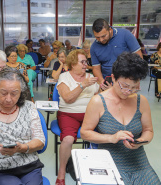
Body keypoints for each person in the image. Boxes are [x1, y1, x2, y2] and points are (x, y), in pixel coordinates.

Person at [80, 52, 161, 185]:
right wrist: (111, 138)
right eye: (125, 86)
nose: (129, 91)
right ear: (113, 78)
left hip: (139, 163)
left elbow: (148, 131)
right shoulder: (98, 102)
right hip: (110, 162)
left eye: (135, 87)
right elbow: (85, 133)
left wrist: (140, 141)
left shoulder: (142, 101)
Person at [55, 49, 99, 185]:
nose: (86, 64)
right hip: (68, 114)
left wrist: (105, 88)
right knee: (68, 139)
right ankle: (61, 174)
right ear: (73, 64)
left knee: (104, 134)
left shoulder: (91, 76)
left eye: (86, 61)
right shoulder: (64, 77)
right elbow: (68, 98)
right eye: (82, 62)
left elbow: (99, 95)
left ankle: (95, 168)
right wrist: (83, 85)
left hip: (89, 115)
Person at [90, 18, 143, 87]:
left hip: (127, 79)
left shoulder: (125, 35)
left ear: (110, 29)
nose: (101, 40)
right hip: (108, 82)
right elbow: (96, 68)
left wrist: (133, 78)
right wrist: (101, 82)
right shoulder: (94, 47)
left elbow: (139, 58)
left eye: (103, 36)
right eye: (97, 37)